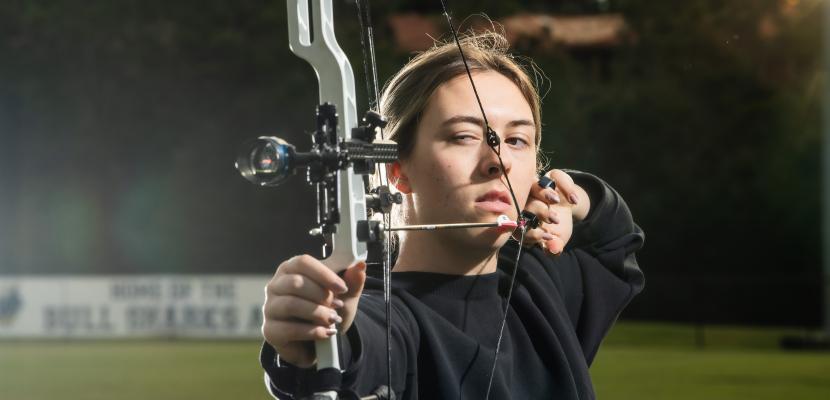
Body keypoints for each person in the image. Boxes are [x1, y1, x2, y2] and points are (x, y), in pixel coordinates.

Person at [259, 31, 644, 400]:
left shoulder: (539, 286)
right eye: (463, 136)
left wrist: (569, 196)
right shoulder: (390, 317)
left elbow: (614, 235)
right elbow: (354, 349)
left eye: (517, 140)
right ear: (397, 170)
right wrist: (314, 337)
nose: (499, 161)